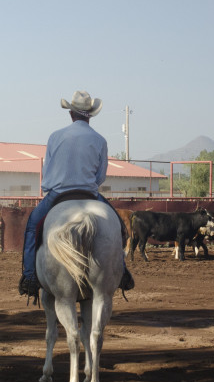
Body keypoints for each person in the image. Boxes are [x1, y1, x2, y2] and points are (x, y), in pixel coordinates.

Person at [19, 90, 136, 300]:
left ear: (71, 113)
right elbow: (100, 177)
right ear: (90, 115)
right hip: (89, 194)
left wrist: (51, 187)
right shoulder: (100, 140)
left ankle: (29, 277)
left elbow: (48, 171)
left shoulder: (55, 136)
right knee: (118, 227)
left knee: (32, 226)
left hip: (58, 194)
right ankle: (122, 272)